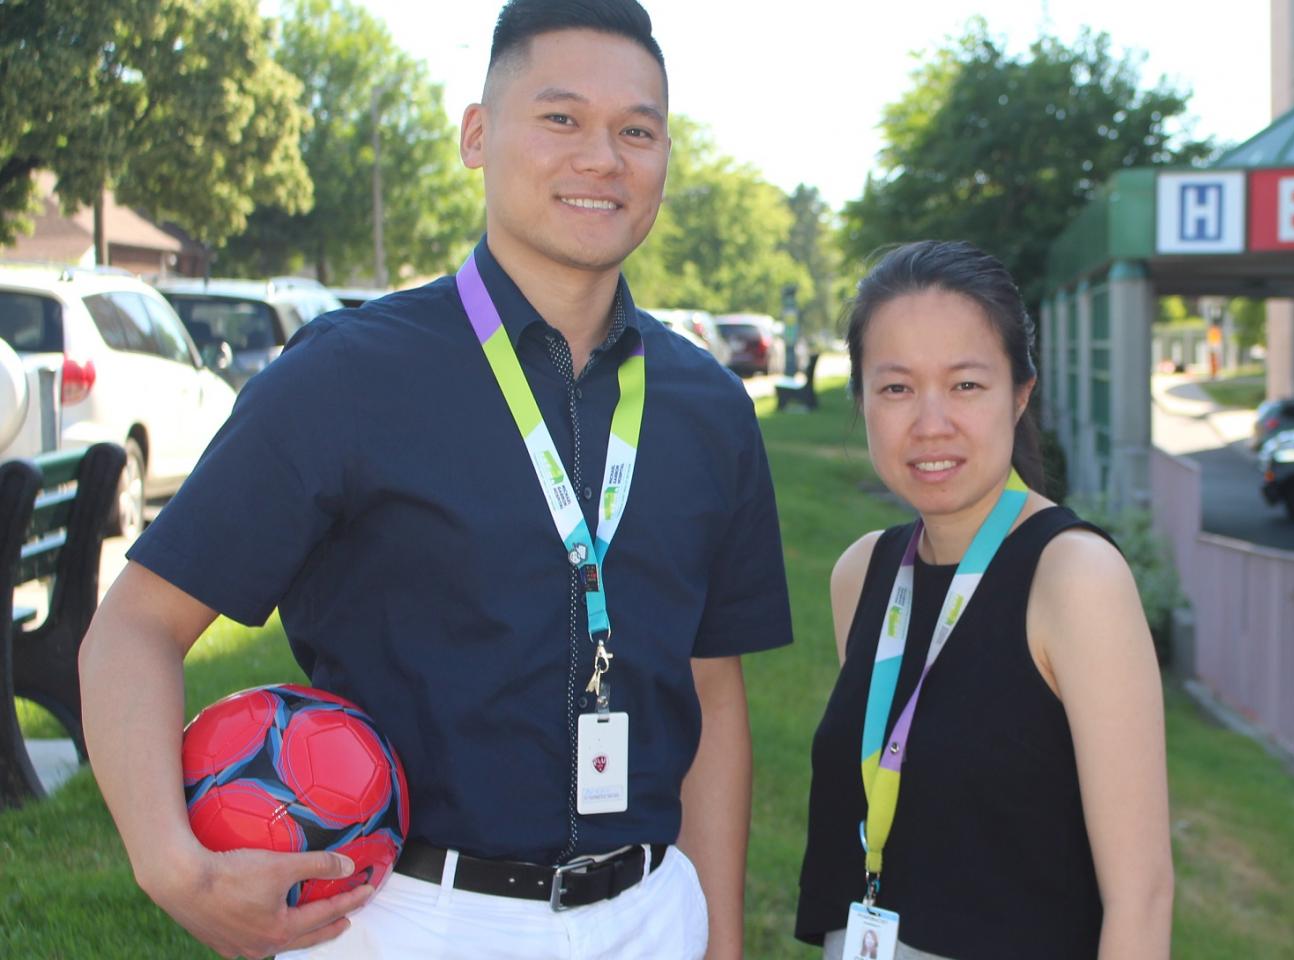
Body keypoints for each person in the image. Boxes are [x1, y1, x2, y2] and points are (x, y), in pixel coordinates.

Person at [77, 2, 790, 958]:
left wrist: (720, 940)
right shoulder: (346, 373)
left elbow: (713, 687)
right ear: (477, 135)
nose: (601, 157)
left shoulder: (710, 407)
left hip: (652, 912)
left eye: (637, 130)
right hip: (408, 918)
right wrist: (172, 865)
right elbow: (134, 627)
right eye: (561, 118)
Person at [794, 241, 1174, 959]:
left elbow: (1142, 894)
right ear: (863, 399)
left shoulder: (1073, 579)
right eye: (896, 387)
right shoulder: (863, 575)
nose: (930, 423)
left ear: (1021, 391)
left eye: (965, 385)